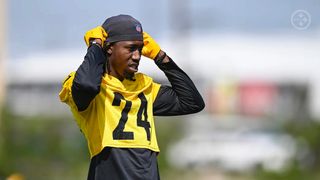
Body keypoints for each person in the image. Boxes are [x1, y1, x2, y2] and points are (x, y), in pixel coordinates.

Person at [59, 14, 205, 180]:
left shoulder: (144, 86)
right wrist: (95, 45)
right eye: (130, 48)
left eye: (140, 49)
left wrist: (161, 57)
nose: (137, 56)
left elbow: (192, 102)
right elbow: (87, 85)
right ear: (109, 48)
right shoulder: (89, 85)